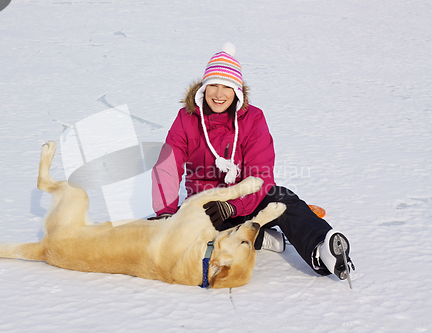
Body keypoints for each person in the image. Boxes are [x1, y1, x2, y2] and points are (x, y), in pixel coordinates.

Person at [150, 43, 355, 282]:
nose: (218, 94)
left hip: (248, 199)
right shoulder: (187, 119)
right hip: (208, 203)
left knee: (283, 199)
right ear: (203, 89)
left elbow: (260, 174)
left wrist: (235, 205)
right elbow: (167, 167)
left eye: (226, 86)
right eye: (213, 85)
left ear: (236, 90)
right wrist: (166, 215)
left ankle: (321, 249)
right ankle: (257, 237)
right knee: (197, 234)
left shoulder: (253, 119)